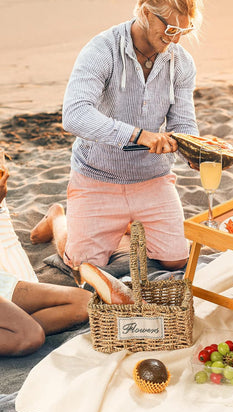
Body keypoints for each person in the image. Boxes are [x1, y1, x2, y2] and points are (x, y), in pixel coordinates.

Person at [30, 0, 203, 272]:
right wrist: (139, 135)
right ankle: (58, 219)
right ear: (146, 13)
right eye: (170, 29)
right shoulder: (102, 49)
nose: (177, 39)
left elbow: (182, 122)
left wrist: (194, 152)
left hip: (152, 178)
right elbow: (74, 114)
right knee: (81, 265)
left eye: (185, 30)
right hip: (97, 176)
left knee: (176, 260)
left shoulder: (181, 62)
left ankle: (119, 228)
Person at [0, 168, 91, 357]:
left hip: (6, 277)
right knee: (29, 336)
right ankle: (16, 329)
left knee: (85, 303)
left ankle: (13, 328)